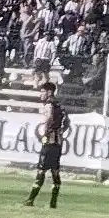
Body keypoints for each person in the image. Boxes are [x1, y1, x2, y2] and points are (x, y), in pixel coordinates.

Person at [25, 80, 66, 209]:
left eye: (42, 91)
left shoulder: (49, 105)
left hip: (49, 141)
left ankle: (30, 200)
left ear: (49, 92)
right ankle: (53, 202)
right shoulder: (60, 105)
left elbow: (49, 119)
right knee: (55, 171)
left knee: (41, 170)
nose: (40, 94)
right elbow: (67, 122)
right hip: (58, 142)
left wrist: (46, 133)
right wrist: (59, 132)